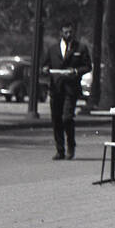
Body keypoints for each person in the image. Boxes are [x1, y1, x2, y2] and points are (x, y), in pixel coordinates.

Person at [43, 23, 91, 160]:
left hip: (71, 88)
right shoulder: (53, 49)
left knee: (67, 118)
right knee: (56, 119)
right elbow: (45, 64)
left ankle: (71, 146)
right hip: (56, 88)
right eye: (65, 32)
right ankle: (60, 150)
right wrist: (45, 69)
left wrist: (76, 71)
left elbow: (87, 66)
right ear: (61, 33)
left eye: (70, 32)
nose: (68, 35)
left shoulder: (80, 48)